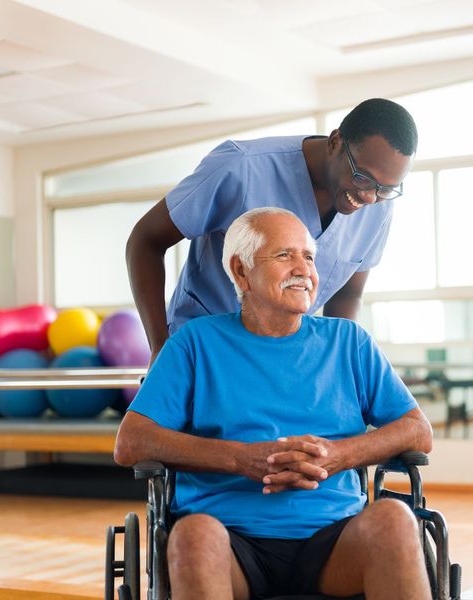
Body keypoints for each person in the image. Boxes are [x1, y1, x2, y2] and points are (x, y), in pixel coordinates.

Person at [115, 207, 433, 600]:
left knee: (394, 519)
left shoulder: (349, 342)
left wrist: (340, 455)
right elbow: (131, 442)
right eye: (284, 255)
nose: (303, 269)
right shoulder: (194, 343)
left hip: (334, 541)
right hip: (228, 539)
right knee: (191, 536)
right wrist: (238, 459)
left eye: (309, 257)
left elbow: (418, 430)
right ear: (241, 271)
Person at [126, 98, 418, 364]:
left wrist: (337, 365)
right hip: (201, 355)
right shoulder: (240, 168)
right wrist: (160, 346)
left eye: (387, 188)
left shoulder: (378, 206)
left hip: (282, 363)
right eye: (361, 178)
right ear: (335, 142)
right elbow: (146, 240)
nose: (369, 196)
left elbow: (347, 295)